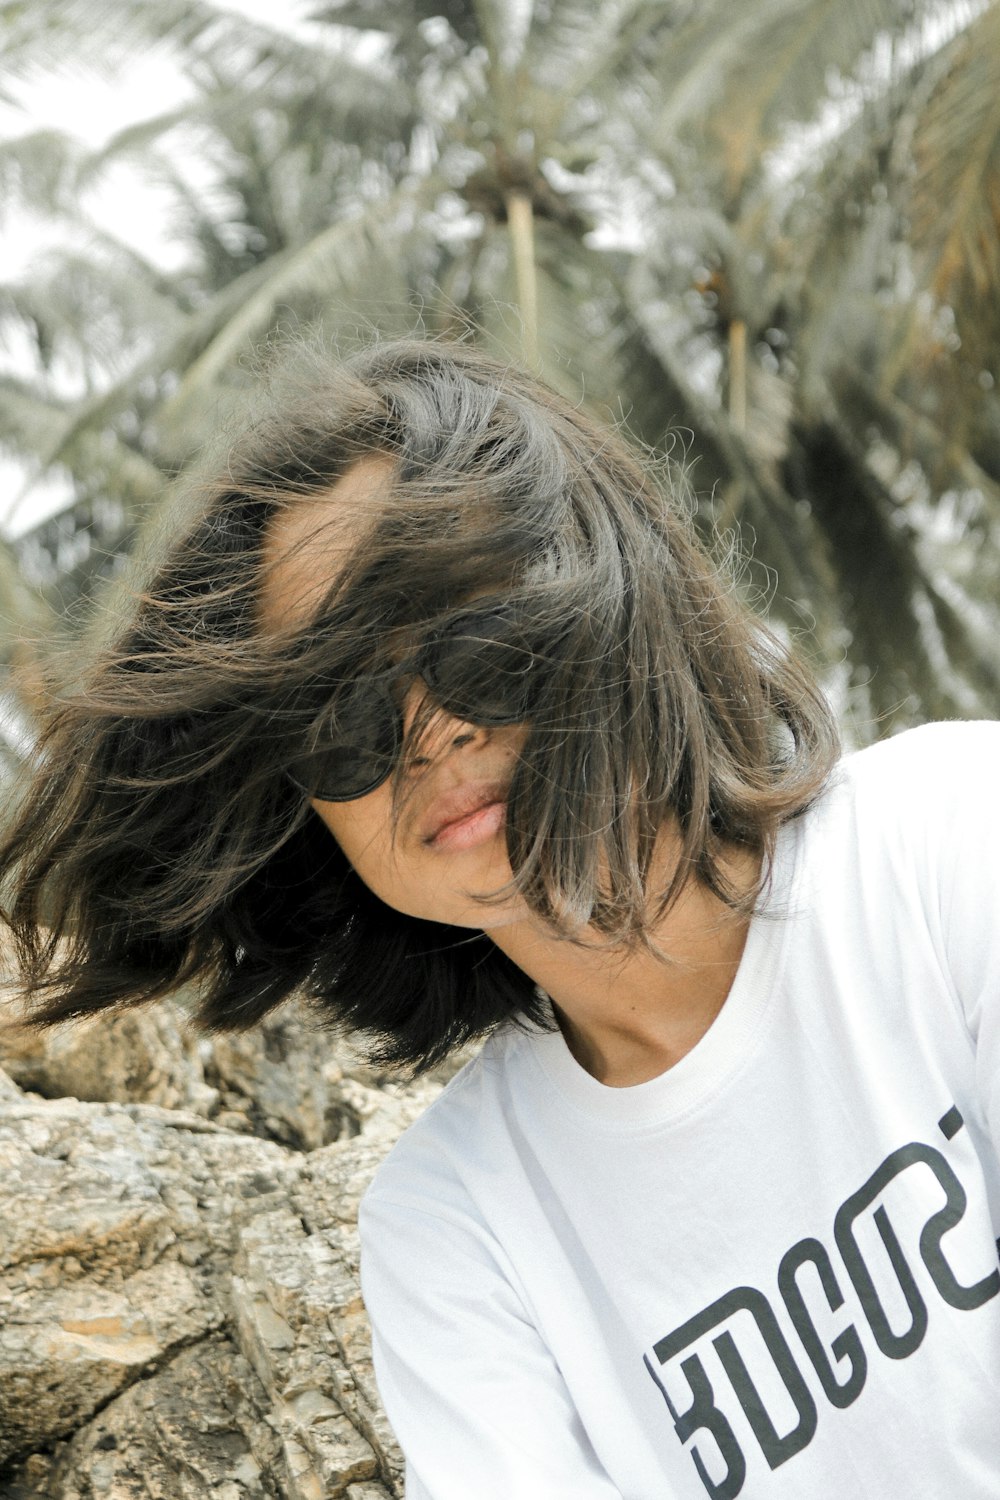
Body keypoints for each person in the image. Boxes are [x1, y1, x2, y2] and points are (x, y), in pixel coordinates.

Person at [2, 337, 998, 1499]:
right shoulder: (456, 1224)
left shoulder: (950, 839)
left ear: (612, 593)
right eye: (340, 716)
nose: (429, 734)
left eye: (474, 646)